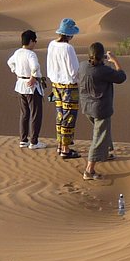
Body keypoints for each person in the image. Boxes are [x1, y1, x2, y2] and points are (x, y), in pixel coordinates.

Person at [78, 41, 127, 180]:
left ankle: (107, 152)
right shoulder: (103, 71)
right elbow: (121, 77)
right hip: (100, 109)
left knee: (102, 131)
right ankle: (89, 170)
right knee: (98, 137)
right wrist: (115, 60)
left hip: (87, 107)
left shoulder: (82, 66)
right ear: (101, 56)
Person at [47, 17, 82, 158]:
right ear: (69, 34)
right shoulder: (68, 48)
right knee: (68, 116)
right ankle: (65, 149)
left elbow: (49, 65)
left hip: (56, 84)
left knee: (60, 114)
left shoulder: (51, 44)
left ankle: (60, 145)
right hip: (69, 86)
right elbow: (74, 70)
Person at [8, 29, 45, 149]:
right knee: (35, 114)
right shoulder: (30, 54)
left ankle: (23, 140)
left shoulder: (17, 52)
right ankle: (34, 142)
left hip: (20, 85)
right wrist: (33, 77)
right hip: (31, 87)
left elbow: (10, 62)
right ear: (30, 41)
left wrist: (16, 72)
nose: (35, 43)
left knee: (24, 114)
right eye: (34, 41)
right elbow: (35, 66)